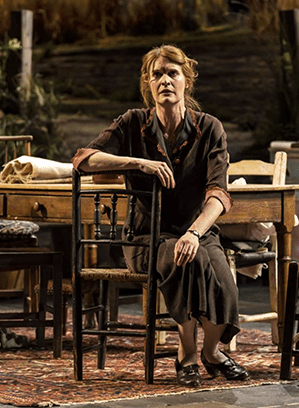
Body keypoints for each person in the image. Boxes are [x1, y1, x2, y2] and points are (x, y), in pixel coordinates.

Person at [71, 44, 249, 386]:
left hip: (195, 232)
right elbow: (83, 159)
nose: (165, 80)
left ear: (186, 81)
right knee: (189, 262)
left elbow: (218, 193)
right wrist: (138, 163)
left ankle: (212, 352)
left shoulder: (210, 128)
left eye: (172, 73)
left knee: (224, 281)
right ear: (148, 84)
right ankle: (187, 354)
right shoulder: (133, 122)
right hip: (145, 238)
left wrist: (194, 233)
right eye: (157, 75)